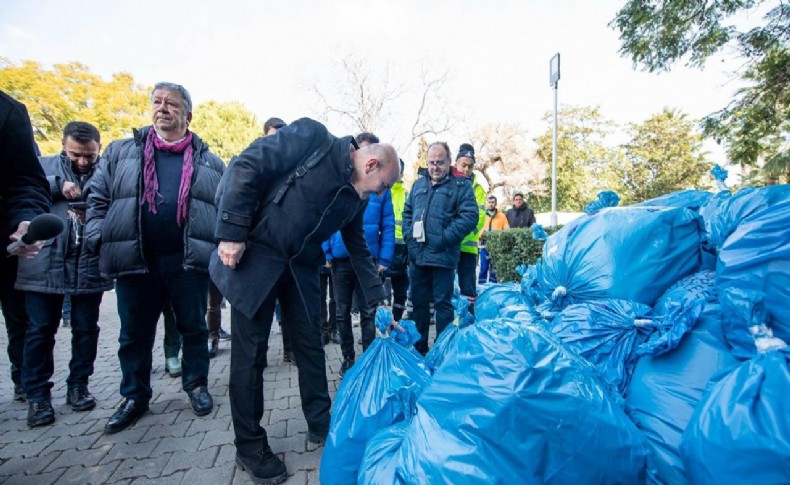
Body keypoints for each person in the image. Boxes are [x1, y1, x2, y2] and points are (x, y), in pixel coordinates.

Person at [211, 117, 399, 484]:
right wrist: (231, 231)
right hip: (258, 257)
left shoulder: (355, 197)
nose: (380, 194)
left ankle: (320, 422)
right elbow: (247, 164)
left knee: (311, 346)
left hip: (300, 268)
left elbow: (358, 246)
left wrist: (380, 302)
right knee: (250, 357)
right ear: (371, 164)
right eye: (383, 186)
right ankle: (249, 447)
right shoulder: (314, 138)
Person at [85, 82, 224, 433]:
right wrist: (99, 236)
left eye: (171, 104)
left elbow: (223, 210)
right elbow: (97, 198)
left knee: (192, 327)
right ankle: (135, 395)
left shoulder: (210, 161)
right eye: (157, 102)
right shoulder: (121, 152)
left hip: (186, 261)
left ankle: (196, 385)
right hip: (135, 260)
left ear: (187, 115)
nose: (162, 108)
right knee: (133, 333)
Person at [15, 121, 112, 427]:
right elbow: (19, 192)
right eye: (75, 155)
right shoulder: (40, 167)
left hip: (89, 266)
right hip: (43, 266)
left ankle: (79, 385)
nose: (82, 162)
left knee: (86, 329)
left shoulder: (105, 174)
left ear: (98, 149)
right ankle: (37, 396)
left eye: (89, 156)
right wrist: (57, 186)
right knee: (40, 330)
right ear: (63, 145)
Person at [323, 131, 395, 377]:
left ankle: (369, 356)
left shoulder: (379, 189)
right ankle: (347, 358)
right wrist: (327, 250)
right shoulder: (340, 181)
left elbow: (388, 223)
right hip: (340, 259)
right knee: (342, 311)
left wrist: (384, 258)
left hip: (368, 260)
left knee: (368, 312)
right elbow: (326, 219)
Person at [402, 142, 478, 355]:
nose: (435, 167)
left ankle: (442, 353)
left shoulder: (461, 186)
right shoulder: (418, 185)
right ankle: (419, 350)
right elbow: (407, 213)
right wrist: (410, 238)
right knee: (419, 306)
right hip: (418, 257)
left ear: (449, 162)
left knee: (443, 307)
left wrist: (444, 238)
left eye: (440, 162)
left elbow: (470, 216)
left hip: (443, 258)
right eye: (432, 162)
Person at [0, 91, 51, 403]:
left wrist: (26, 217)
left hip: (6, 248)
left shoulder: (8, 112)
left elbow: (26, 181)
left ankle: (29, 385)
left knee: (22, 321)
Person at [453, 143, 486, 308]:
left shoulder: (478, 190)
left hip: (468, 248)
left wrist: (460, 234)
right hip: (449, 246)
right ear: (456, 163)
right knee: (445, 287)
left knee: (468, 288)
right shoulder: (447, 183)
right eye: (463, 165)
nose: (466, 169)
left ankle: (468, 321)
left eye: (470, 166)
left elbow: (479, 217)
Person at [384, 159, 409, 321]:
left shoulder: (408, 195)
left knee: (400, 293)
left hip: (402, 250)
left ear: (401, 174)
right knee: (382, 295)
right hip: (383, 250)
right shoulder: (379, 192)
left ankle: (396, 324)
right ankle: (381, 329)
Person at [478, 195, 509, 284]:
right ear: (486, 203)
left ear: (495, 203)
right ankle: (481, 286)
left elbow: (507, 229)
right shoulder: (482, 215)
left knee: (494, 269)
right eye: (489, 202)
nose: (491, 204)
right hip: (484, 245)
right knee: (483, 267)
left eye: (492, 202)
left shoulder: (501, 216)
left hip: (496, 246)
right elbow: (477, 229)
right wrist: (482, 233)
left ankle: (492, 286)